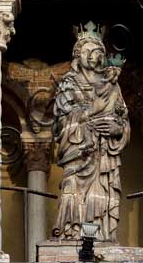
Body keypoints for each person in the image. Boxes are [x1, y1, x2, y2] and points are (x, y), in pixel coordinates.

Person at [52, 22, 130, 242]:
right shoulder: (69, 83)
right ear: (78, 55)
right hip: (78, 151)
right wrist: (89, 115)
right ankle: (71, 231)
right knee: (71, 186)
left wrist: (117, 129)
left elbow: (122, 119)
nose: (91, 55)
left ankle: (100, 235)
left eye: (96, 51)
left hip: (103, 153)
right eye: (85, 50)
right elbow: (62, 118)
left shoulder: (112, 86)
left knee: (101, 193)